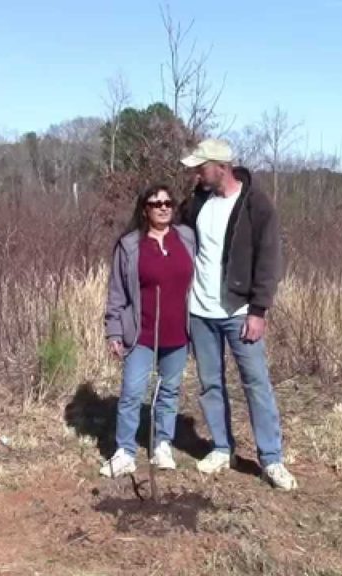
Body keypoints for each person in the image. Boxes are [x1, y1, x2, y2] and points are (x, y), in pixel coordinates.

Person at [179, 138, 298, 491]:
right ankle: (221, 447)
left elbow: (269, 260)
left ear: (222, 167)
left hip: (239, 311)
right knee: (210, 383)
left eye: (201, 167)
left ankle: (272, 459)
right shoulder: (197, 201)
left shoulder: (256, 205)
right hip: (200, 311)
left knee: (256, 384)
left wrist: (258, 310)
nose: (196, 173)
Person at [101, 184, 197, 477]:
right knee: (132, 392)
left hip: (178, 333)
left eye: (168, 202)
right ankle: (125, 452)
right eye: (156, 204)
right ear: (145, 209)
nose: (164, 207)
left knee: (168, 391)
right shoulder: (130, 245)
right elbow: (117, 292)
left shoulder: (187, 238)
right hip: (140, 334)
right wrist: (114, 331)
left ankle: (161, 445)